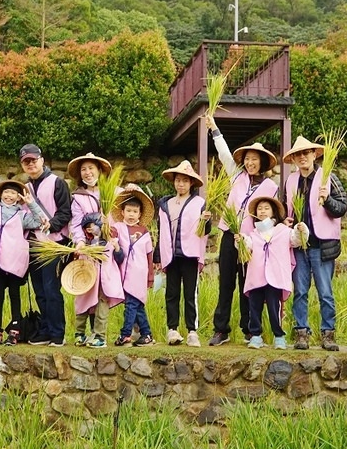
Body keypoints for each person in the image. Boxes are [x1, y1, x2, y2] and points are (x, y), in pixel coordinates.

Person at [205, 113, 280, 346]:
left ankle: (249, 329)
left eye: (254, 159)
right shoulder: (237, 175)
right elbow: (224, 153)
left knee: (248, 284)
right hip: (229, 234)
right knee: (226, 282)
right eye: (247, 158)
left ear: (263, 162)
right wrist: (214, 129)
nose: (250, 163)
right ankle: (221, 329)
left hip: (252, 240)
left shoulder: (270, 186)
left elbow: (271, 216)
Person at [282, 135, 347, 351]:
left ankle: (328, 334)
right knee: (300, 291)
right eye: (298, 154)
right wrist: (285, 219)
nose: (302, 157)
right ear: (294, 158)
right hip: (299, 244)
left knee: (325, 292)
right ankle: (302, 333)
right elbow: (283, 208)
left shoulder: (328, 177)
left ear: (313, 154)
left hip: (322, 244)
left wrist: (327, 199)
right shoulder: (290, 181)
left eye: (306, 153)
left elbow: (342, 207)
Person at [0, 176, 48, 345]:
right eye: (6, 192)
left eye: (13, 193)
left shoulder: (22, 215)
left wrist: (31, 203)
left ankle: (15, 331)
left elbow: (41, 221)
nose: (9, 195)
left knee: (15, 295)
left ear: (18, 197)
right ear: (1, 194)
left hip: (14, 262)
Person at [19, 143, 72, 346]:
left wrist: (52, 225)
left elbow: (65, 212)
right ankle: (45, 330)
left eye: (33, 160)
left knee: (52, 290)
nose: (30, 164)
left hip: (54, 244)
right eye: (26, 162)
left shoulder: (57, 183)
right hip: (34, 244)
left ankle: (57, 332)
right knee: (39, 290)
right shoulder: (25, 188)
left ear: (42, 160)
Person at [154, 161, 211, 347]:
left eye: (185, 181)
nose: (181, 184)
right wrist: (158, 255)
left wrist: (206, 221)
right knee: (171, 293)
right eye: (178, 180)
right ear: (174, 182)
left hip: (190, 255)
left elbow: (205, 230)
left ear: (191, 183)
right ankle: (172, 329)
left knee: (190, 293)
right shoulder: (165, 204)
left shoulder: (199, 204)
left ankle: (192, 331)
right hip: (171, 256)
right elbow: (161, 231)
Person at [239, 197, 302, 350]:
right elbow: (247, 247)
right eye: (260, 208)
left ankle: (279, 336)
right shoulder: (253, 234)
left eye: (266, 208)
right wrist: (240, 240)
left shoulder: (284, 231)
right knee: (254, 306)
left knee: (275, 306)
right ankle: (256, 335)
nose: (262, 211)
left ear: (273, 211)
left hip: (275, 276)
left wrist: (301, 229)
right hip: (256, 276)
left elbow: (297, 240)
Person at [112, 191, 156, 347]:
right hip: (125, 273)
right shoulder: (117, 228)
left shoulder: (144, 232)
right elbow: (111, 237)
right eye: (128, 211)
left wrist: (150, 277)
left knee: (131, 305)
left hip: (138, 273)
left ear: (140, 214)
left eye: (135, 211)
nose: (131, 214)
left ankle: (125, 335)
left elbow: (149, 257)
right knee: (136, 306)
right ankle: (147, 334)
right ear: (122, 212)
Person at [73, 213, 125, 348]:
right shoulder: (85, 245)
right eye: (96, 225)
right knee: (82, 305)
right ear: (88, 230)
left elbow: (119, 258)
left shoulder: (110, 242)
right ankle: (79, 333)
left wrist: (117, 248)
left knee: (102, 307)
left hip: (105, 281)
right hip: (89, 281)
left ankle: (99, 336)